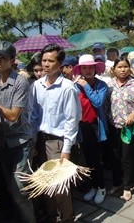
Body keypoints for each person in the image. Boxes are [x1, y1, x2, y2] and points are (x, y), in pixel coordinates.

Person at [29, 44, 81, 223]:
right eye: (44, 60)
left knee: (59, 186)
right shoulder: (37, 86)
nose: (46, 64)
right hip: (41, 140)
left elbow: (72, 120)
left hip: (58, 143)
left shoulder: (67, 88)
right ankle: (52, 216)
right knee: (45, 182)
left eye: (51, 61)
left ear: (60, 64)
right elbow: (34, 115)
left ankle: (66, 217)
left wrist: (67, 148)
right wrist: (33, 141)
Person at [0, 41, 36, 223]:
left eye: (2, 57)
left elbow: (13, 115)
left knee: (19, 189)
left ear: (12, 60)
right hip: (4, 142)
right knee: (11, 188)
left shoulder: (20, 82)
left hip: (22, 141)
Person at [109, 57, 134, 201]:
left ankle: (127, 186)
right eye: (119, 67)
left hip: (129, 128)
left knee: (127, 157)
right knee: (115, 157)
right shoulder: (110, 85)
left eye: (125, 66)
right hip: (113, 127)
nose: (123, 70)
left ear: (129, 68)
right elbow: (106, 104)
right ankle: (117, 183)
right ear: (114, 69)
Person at [72, 55, 108, 204]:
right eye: (84, 68)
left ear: (95, 68)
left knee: (96, 159)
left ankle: (101, 187)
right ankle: (93, 186)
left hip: (96, 126)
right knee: (87, 159)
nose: (87, 70)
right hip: (82, 127)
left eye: (90, 67)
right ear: (80, 69)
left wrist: (86, 86)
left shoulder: (101, 85)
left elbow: (98, 102)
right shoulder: (74, 86)